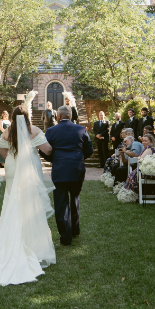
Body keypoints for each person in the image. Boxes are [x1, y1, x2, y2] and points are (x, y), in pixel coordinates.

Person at [0, 106, 55, 286]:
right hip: (29, 167)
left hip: (11, 166)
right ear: (27, 116)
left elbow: (2, 153)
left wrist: (13, 156)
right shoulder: (33, 130)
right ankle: (31, 242)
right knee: (30, 201)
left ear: (12, 117)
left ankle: (14, 236)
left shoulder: (7, 132)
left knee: (12, 200)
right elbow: (48, 149)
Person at [41, 105, 93, 246]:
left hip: (60, 170)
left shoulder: (51, 130)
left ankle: (66, 236)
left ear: (58, 116)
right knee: (75, 199)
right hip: (77, 169)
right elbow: (89, 149)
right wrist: (79, 159)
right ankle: (75, 230)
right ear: (70, 116)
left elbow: (43, 151)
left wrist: (54, 160)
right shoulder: (81, 129)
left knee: (61, 203)